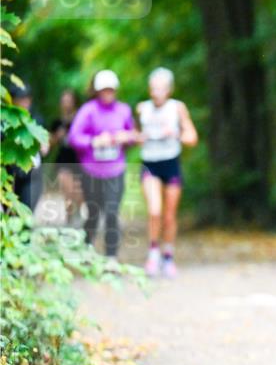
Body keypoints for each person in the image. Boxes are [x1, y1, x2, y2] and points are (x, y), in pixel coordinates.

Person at [67, 69, 139, 260]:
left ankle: (111, 257)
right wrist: (94, 141)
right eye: (104, 90)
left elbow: (132, 136)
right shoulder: (88, 110)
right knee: (93, 212)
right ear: (97, 91)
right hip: (91, 170)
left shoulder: (124, 110)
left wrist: (126, 137)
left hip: (115, 170)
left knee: (112, 212)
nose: (108, 93)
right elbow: (73, 137)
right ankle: (86, 250)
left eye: (111, 90)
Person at [136, 67, 199, 278]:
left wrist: (177, 133)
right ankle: (153, 253)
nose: (157, 92)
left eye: (161, 88)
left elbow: (192, 137)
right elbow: (132, 134)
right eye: (154, 88)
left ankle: (168, 256)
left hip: (171, 162)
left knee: (170, 215)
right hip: (150, 164)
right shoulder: (141, 109)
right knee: (155, 211)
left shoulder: (177, 108)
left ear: (169, 90)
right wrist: (137, 137)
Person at [47, 89, 85, 226]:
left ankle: (79, 217)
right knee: (67, 193)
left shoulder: (80, 120)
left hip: (79, 160)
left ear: (74, 102)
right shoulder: (57, 122)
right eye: (64, 101)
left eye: (69, 101)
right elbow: (49, 144)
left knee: (79, 194)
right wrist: (57, 136)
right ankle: (69, 222)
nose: (66, 104)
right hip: (63, 160)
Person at [7, 84, 47, 211]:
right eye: (21, 98)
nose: (25, 102)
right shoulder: (5, 120)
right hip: (9, 173)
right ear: (12, 100)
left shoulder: (37, 120)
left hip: (32, 173)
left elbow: (45, 146)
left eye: (27, 98)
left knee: (26, 213)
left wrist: (42, 144)